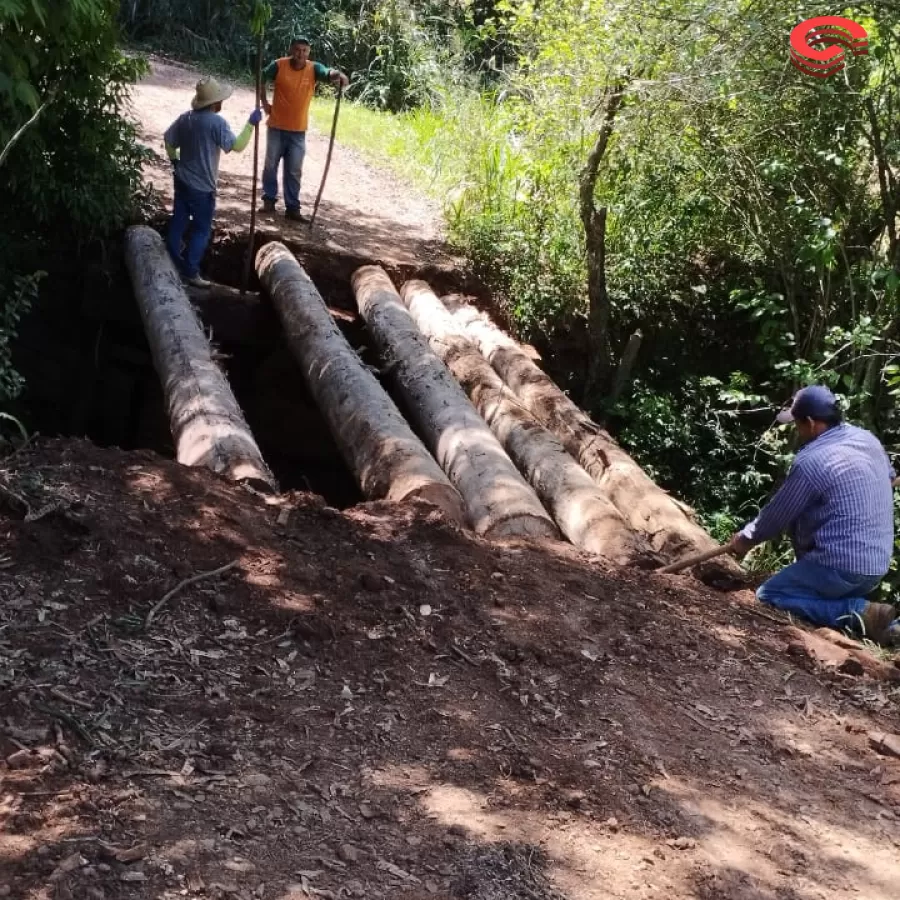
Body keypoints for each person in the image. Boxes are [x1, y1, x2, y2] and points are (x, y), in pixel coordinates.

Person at [726, 385, 899, 645]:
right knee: (820, 592)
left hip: (839, 567)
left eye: (797, 424)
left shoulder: (812, 461)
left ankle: (858, 612)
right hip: (875, 566)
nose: (797, 430)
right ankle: (891, 624)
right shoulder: (867, 440)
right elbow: (891, 479)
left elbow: (776, 516)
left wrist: (745, 539)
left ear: (810, 422)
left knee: (770, 594)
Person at [164, 76, 262, 288]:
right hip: (202, 187)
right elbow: (236, 146)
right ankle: (190, 271)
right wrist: (250, 124)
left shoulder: (185, 119)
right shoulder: (216, 123)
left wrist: (175, 161)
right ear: (215, 103)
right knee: (201, 229)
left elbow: (168, 139)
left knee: (179, 219)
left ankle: (171, 257)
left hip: (181, 179)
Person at [259, 36, 349, 222]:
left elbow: (327, 73)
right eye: (298, 50)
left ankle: (292, 208)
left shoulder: (313, 68)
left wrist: (338, 75)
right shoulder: (279, 65)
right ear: (291, 50)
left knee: (294, 170)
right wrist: (264, 103)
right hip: (276, 126)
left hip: (298, 130)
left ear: (308, 52)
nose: (301, 54)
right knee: (270, 166)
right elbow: (262, 77)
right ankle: (269, 201)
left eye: (304, 51)